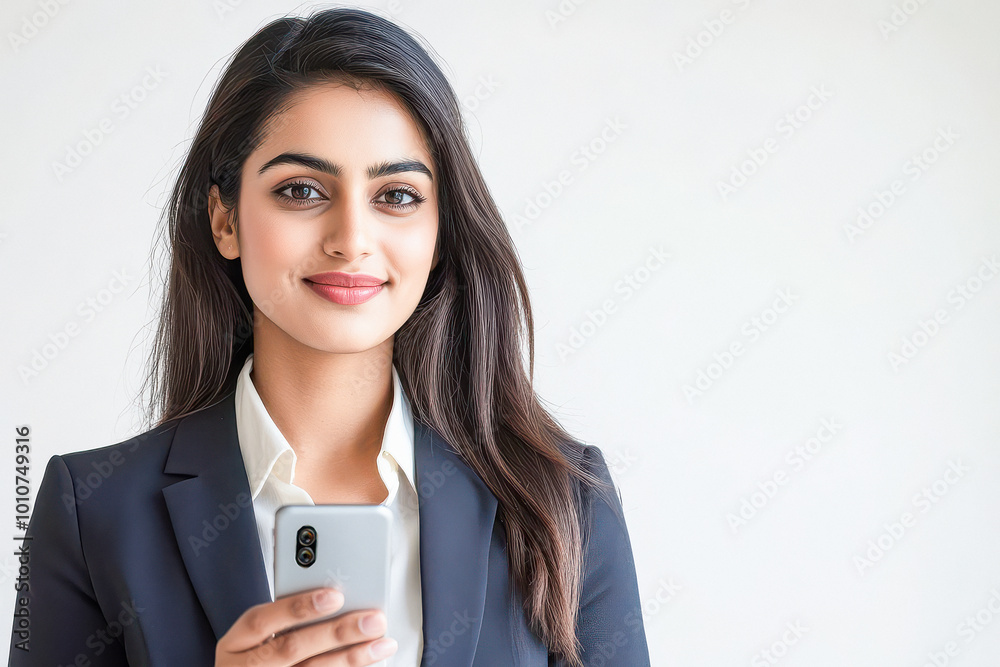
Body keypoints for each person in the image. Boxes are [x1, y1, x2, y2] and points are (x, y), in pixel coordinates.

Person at [6, 7, 650, 666]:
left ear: (439, 233)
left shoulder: (563, 503)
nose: (350, 239)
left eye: (397, 195)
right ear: (224, 219)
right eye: (303, 189)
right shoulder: (92, 512)